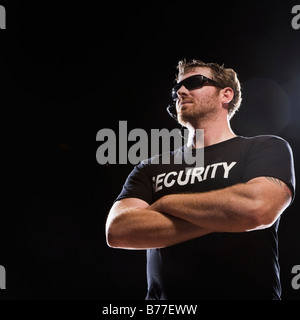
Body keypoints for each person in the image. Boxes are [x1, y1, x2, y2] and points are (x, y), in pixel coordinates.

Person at [105, 59, 296, 300]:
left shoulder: (265, 147)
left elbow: (258, 209)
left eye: (194, 82)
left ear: (226, 94)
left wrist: (166, 203)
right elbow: (119, 231)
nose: (181, 92)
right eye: (176, 90)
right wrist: (229, 216)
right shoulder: (150, 168)